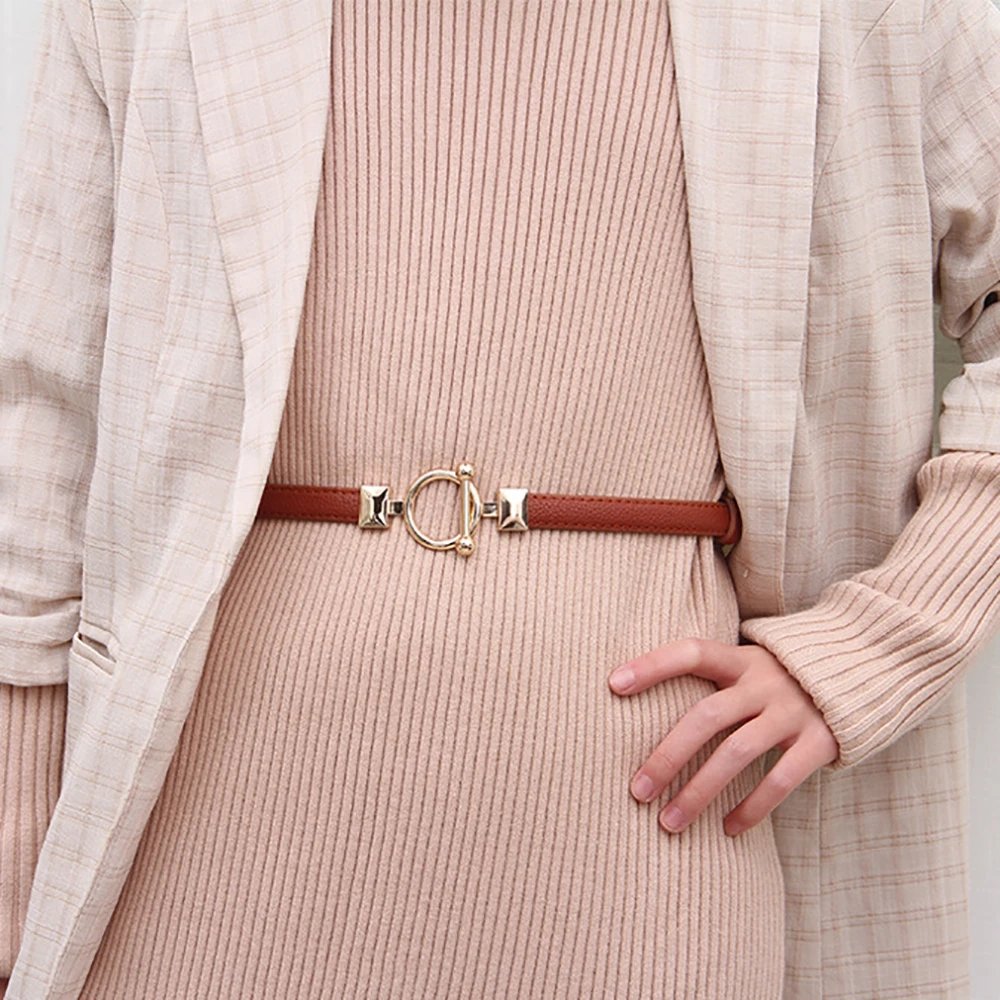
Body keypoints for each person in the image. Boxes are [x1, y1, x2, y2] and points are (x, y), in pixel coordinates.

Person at [1, 0, 999, 997]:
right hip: (195, 818)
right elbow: (42, 413)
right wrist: (14, 840)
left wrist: (880, 642)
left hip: (651, 827)